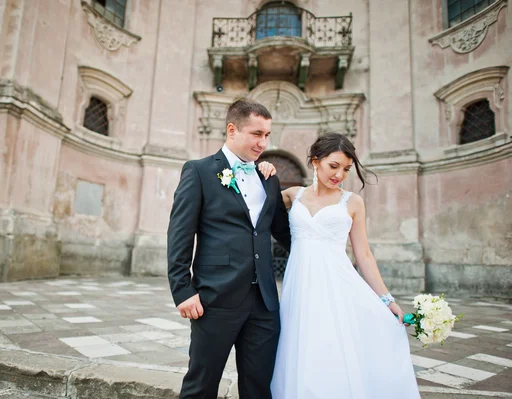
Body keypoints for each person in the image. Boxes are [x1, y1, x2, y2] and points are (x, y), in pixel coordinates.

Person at [271, 133, 420, 399]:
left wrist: (387, 299)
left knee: (332, 346)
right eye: (334, 166)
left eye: (347, 169)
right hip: (300, 286)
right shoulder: (293, 195)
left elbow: (363, 254)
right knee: (300, 347)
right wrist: (263, 169)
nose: (340, 174)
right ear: (315, 162)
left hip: (337, 285)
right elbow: (254, 205)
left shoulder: (352, 202)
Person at [167, 99, 291, 399]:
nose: (263, 142)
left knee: (259, 388)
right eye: (256, 134)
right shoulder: (198, 171)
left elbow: (284, 233)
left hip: (264, 304)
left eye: (267, 135)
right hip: (215, 299)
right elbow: (180, 234)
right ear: (232, 130)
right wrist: (182, 290)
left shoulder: (268, 178)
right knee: (201, 386)